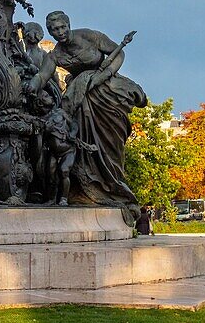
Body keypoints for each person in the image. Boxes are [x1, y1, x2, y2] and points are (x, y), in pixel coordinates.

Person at [29, 11, 147, 222]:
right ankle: (89, 188)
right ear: (51, 32)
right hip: (81, 97)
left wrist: (104, 74)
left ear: (68, 24)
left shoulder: (90, 36)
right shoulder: (54, 55)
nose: (60, 32)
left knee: (112, 141)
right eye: (54, 30)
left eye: (62, 27)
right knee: (85, 144)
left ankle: (114, 182)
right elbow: (42, 75)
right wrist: (32, 86)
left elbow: (118, 53)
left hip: (107, 89)